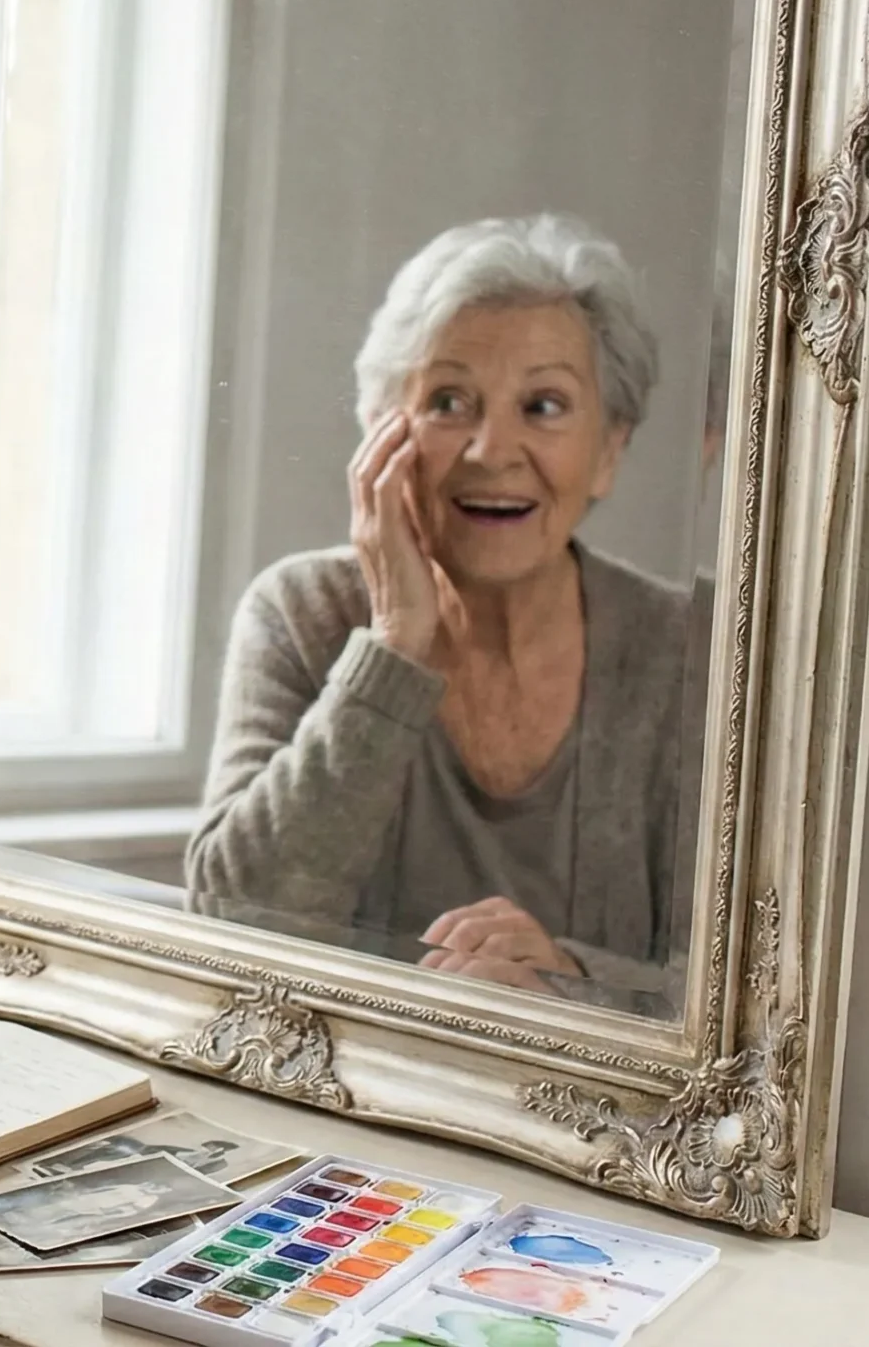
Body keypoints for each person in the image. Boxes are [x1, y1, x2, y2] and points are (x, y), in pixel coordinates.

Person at [186, 215, 697, 1010]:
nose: (493, 450)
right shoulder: (300, 614)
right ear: (381, 432)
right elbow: (232, 920)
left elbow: (743, 991)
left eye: (546, 405)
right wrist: (394, 646)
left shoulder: (688, 649)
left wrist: (565, 980)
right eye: (449, 400)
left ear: (609, 449)